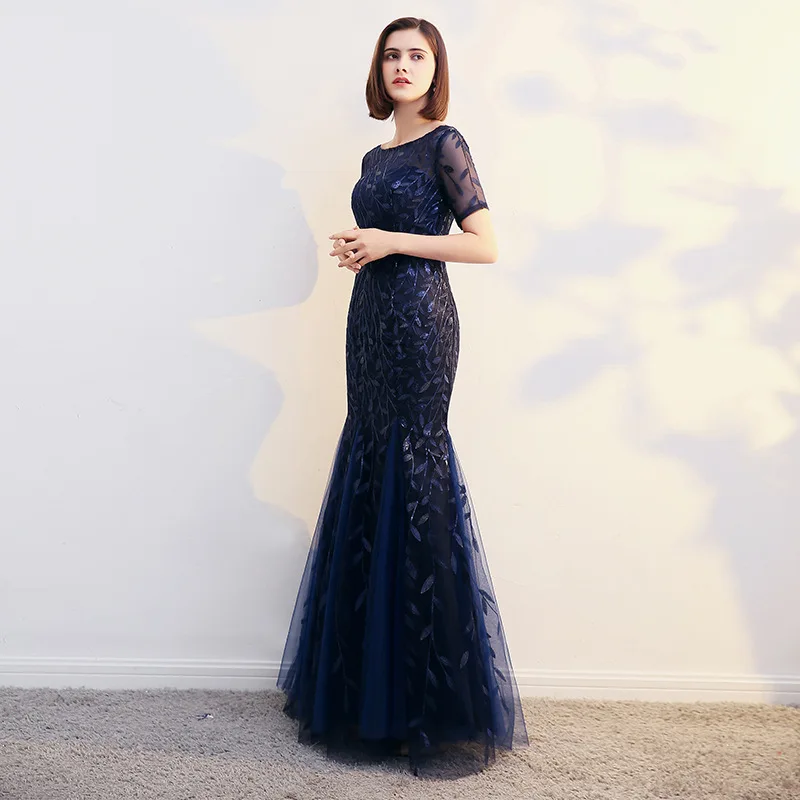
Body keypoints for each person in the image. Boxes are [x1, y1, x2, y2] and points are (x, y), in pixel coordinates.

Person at [276, 17, 529, 776]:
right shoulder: (375, 154)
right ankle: (366, 696)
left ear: (436, 68)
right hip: (370, 321)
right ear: (378, 69)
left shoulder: (447, 144)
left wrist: (390, 242)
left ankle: (429, 706)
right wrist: (363, 247)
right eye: (391, 55)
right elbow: (386, 236)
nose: (402, 66)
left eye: (417, 55)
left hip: (420, 322)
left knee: (414, 473)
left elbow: (485, 244)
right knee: (370, 457)